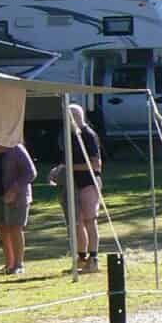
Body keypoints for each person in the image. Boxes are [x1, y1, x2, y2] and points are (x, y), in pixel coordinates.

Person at [66, 103, 104, 273]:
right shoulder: (71, 135)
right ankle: (81, 258)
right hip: (75, 184)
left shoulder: (88, 135)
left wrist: (70, 167)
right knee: (78, 222)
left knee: (90, 220)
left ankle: (94, 259)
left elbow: (96, 165)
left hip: (89, 183)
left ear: (76, 117)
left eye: (68, 117)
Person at [0, 139, 36, 275]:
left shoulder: (16, 148)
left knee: (15, 228)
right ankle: (9, 264)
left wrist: (14, 190)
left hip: (17, 196)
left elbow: (31, 173)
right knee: (1, 228)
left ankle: (18, 265)